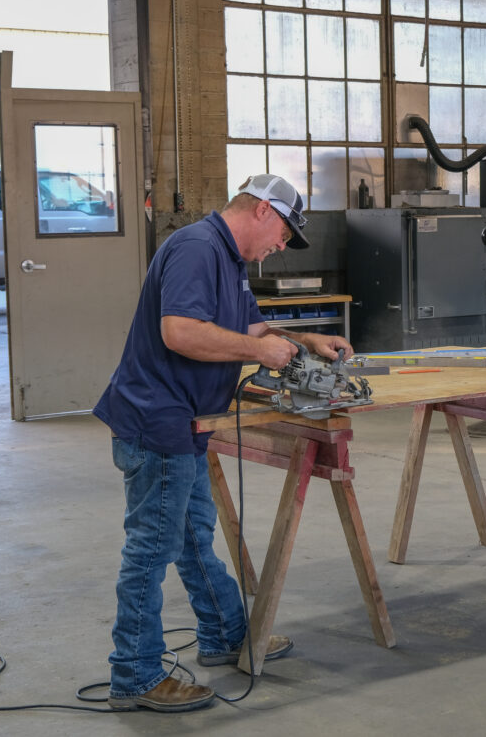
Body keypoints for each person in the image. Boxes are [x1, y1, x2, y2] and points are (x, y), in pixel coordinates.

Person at [94, 173, 353, 712]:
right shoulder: (195, 247)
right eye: (283, 233)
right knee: (152, 549)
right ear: (261, 210)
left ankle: (225, 635)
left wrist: (302, 339)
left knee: (192, 535)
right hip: (158, 420)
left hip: (190, 421)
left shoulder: (229, 259)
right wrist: (259, 355)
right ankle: (135, 675)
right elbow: (180, 332)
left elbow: (251, 330)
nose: (281, 247)